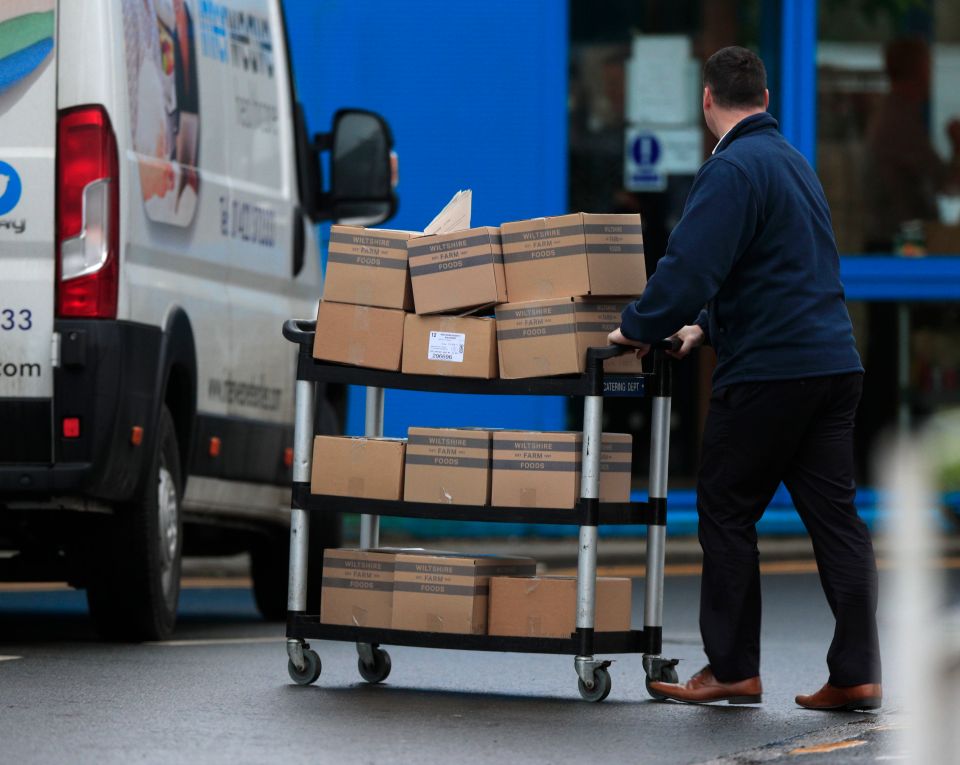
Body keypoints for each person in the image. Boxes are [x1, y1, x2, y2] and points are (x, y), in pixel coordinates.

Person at [608, 46, 882, 711]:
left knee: (726, 506)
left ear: (707, 101)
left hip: (770, 372)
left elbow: (690, 266)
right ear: (764, 97)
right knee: (836, 520)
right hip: (833, 364)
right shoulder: (793, 164)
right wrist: (706, 324)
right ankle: (858, 671)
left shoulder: (730, 168)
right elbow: (777, 266)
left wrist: (635, 328)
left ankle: (732, 667)